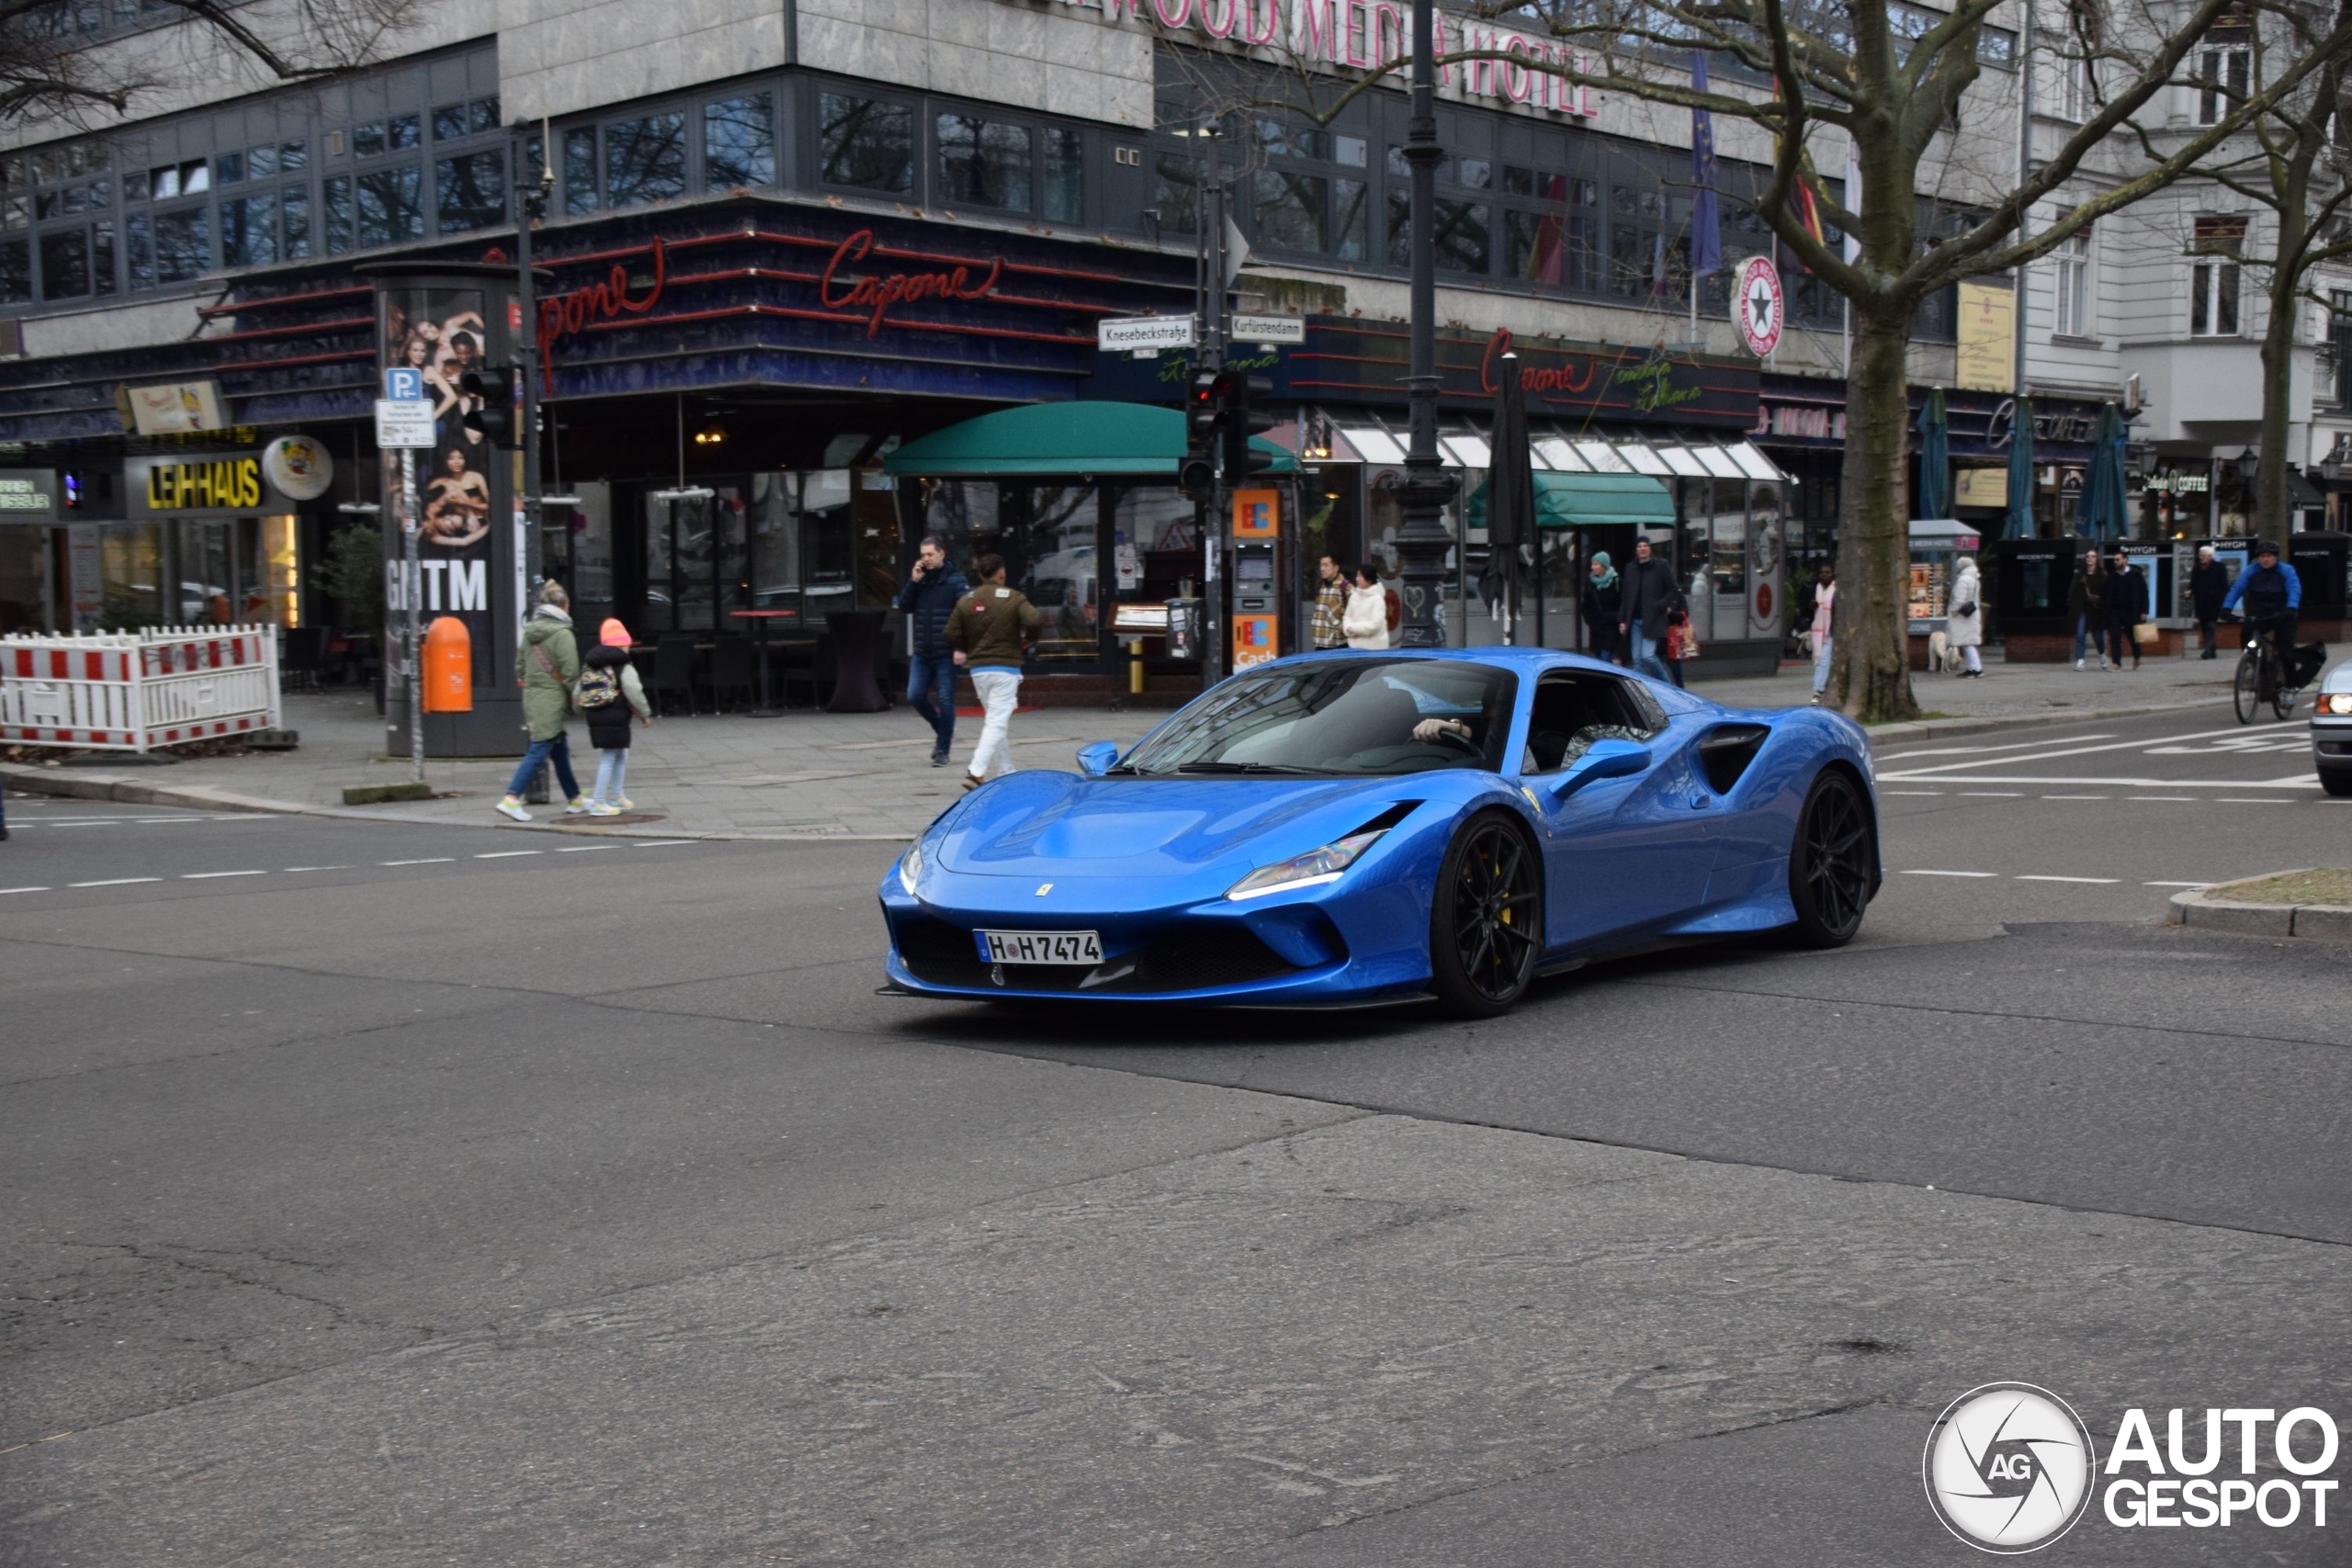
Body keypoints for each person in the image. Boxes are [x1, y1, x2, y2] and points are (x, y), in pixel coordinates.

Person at [945, 553, 1043, 793]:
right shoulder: (1013, 598)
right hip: (1006, 668)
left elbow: (950, 632)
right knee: (996, 722)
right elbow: (1035, 620)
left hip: (979, 670)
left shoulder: (967, 600)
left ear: (980, 574)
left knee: (994, 720)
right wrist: (1027, 641)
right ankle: (976, 771)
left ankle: (1006, 770)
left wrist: (968, 646)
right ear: (1002, 573)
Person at [497, 581, 591, 821]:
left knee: (559, 748)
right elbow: (570, 673)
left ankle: (575, 799)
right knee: (539, 749)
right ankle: (512, 798)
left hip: (533, 697)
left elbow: (519, 666)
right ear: (564, 605)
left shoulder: (530, 631)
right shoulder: (562, 634)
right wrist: (578, 701)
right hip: (552, 698)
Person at [894, 535, 968, 767]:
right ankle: (943, 730)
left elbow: (967, 615)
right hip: (922, 652)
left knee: (946, 700)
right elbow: (905, 607)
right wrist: (913, 581)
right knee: (914, 695)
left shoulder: (956, 581)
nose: (925, 559)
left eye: (930, 554)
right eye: (922, 554)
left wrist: (961, 647)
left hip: (946, 652)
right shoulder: (921, 580)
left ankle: (942, 750)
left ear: (941, 554)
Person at [578, 617, 651, 816]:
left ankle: (617, 795)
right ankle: (599, 801)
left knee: (620, 754)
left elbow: (579, 691)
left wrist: (580, 710)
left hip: (596, 715)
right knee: (610, 757)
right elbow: (635, 691)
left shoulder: (591, 664)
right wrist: (645, 714)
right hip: (616, 715)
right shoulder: (623, 666)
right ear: (622, 644)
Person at [2221, 538, 2303, 669]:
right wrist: (2226, 607)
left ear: (2275, 557)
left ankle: (2291, 683)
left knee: (2285, 650)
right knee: (2246, 635)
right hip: (2259, 613)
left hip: (2282, 614)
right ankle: (2256, 666)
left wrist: (2291, 607)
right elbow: (2237, 589)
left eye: (2269, 556)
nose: (2265, 559)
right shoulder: (2251, 571)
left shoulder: (2287, 571)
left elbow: (2294, 590)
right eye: (2262, 556)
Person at [1617, 535, 1679, 682]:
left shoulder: (1661, 566)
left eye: (1645, 546)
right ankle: (1642, 691)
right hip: (1635, 621)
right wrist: (1622, 619)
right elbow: (1626, 597)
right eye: (1639, 546)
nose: (1642, 549)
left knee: (1648, 656)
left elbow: (1673, 590)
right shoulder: (1630, 568)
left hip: (1652, 619)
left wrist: (1661, 605)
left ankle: (1665, 683)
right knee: (1637, 660)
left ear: (1650, 548)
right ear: (1636, 550)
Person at [2102, 547, 2149, 671]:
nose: (2115, 562)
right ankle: (2116, 662)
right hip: (2116, 611)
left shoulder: (2135, 575)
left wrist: (2144, 611)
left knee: (2133, 637)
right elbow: (2106, 595)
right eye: (2114, 560)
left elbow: (2144, 593)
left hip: (2131, 611)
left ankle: (2137, 656)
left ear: (2125, 560)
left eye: (2118, 559)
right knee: (2115, 637)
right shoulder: (2112, 577)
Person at [2188, 544, 2230, 660]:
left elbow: (2224, 585)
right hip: (2200, 602)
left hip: (2214, 602)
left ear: (2210, 556)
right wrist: (2189, 591)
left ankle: (2207, 651)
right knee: (2204, 626)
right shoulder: (2197, 568)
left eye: (2204, 555)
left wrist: (2218, 595)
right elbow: (2193, 583)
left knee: (2211, 626)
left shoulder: (2219, 567)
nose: (2201, 557)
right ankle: (2212, 650)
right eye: (2200, 555)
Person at [1947, 553, 1984, 677]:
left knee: (1967, 643)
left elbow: (1958, 599)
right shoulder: (1974, 579)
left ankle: (1974, 668)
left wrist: (1953, 611)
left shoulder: (1963, 580)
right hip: (1972, 614)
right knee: (1969, 642)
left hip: (1962, 616)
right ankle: (1974, 667)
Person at [2067, 552, 2106, 671]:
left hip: (2095, 609)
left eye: (2092, 556)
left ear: (2096, 560)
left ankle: (2102, 655)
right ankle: (2080, 660)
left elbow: (2106, 593)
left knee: (2098, 636)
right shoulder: (2080, 575)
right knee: (2080, 634)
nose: (2089, 558)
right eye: (2088, 556)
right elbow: (2073, 590)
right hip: (2082, 608)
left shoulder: (2101, 575)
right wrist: (2071, 603)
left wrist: (2100, 602)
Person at [1580, 552, 1622, 664]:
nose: (1592, 567)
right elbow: (1585, 605)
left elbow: (1623, 604)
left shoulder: (1616, 582)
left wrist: (1614, 617)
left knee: (1605, 657)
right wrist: (1590, 619)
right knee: (1599, 660)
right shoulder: (1590, 584)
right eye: (1592, 564)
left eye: (1596, 564)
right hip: (1596, 628)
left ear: (1604, 566)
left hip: (1611, 627)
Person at [1342, 563, 1390, 649]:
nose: (1357, 579)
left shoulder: (1377, 599)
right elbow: (1347, 617)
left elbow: (1375, 625)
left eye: (1360, 576)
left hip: (1374, 649)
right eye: (1357, 576)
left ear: (1369, 580)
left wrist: (1354, 629)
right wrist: (1348, 629)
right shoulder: (1354, 596)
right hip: (1354, 646)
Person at [1807, 563, 1836, 703]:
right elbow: (1805, 609)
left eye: (1828, 572)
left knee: (1824, 660)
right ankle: (1819, 689)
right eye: (1822, 573)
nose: (1824, 575)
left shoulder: (1836, 590)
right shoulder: (1815, 589)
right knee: (1820, 659)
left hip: (1832, 630)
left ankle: (1818, 690)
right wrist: (1812, 607)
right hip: (1819, 631)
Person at [1309, 553, 1349, 650]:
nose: (1322, 569)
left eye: (1326, 565)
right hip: (1320, 643)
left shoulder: (1345, 587)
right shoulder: (1321, 586)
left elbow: (1355, 614)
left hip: (1337, 645)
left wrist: (1341, 629)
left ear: (1336, 568)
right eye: (1321, 565)